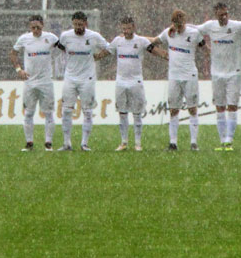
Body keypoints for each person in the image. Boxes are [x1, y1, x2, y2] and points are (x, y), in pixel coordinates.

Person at [197, 2, 241, 151]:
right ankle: (222, 141)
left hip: (234, 73)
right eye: (221, 14)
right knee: (220, 107)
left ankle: (229, 140)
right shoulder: (210, 26)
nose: (224, 17)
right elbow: (193, 31)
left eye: (226, 14)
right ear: (216, 15)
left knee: (232, 106)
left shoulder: (236, 25)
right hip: (216, 73)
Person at [56, 11, 110, 152]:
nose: (78, 27)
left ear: (86, 24)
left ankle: (84, 143)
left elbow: (109, 48)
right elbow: (62, 49)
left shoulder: (93, 36)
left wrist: (98, 56)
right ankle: (67, 143)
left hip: (88, 79)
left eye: (80, 24)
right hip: (70, 78)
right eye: (75, 24)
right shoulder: (66, 36)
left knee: (87, 111)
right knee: (67, 110)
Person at [155, 10, 206, 151]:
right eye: (176, 23)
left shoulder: (194, 33)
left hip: (190, 75)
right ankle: (173, 143)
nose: (178, 27)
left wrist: (210, 61)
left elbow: (205, 47)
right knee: (173, 110)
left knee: (192, 108)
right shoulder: (168, 33)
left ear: (185, 21)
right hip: (174, 76)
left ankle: (194, 143)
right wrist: (162, 54)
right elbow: (153, 42)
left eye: (181, 23)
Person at [11, 14, 60, 152]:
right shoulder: (24, 39)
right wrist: (19, 69)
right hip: (29, 81)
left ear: (42, 26)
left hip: (46, 82)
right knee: (28, 113)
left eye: (38, 27)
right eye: (33, 27)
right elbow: (13, 53)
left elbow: (64, 48)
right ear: (29, 27)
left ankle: (48, 143)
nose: (35, 30)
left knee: (49, 113)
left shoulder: (50, 37)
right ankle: (29, 143)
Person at [108, 17, 153, 151]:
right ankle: (124, 142)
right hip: (120, 81)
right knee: (122, 112)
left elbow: (154, 49)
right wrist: (93, 57)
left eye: (128, 28)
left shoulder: (141, 41)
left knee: (137, 113)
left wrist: (167, 56)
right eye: (124, 28)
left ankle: (138, 143)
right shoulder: (117, 41)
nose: (126, 31)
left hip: (136, 81)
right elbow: (106, 51)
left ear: (133, 27)